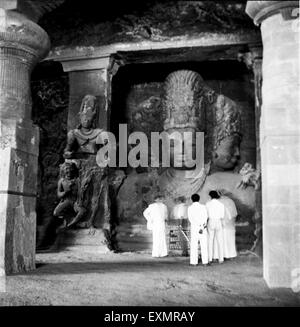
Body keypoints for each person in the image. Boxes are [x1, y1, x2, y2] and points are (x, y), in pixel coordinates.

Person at [53, 161, 86, 232]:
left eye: (70, 169)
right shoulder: (62, 181)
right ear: (63, 170)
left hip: (75, 202)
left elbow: (80, 193)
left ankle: (71, 224)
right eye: (66, 169)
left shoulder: (77, 181)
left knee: (82, 211)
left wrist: (79, 201)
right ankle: (68, 219)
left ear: (73, 170)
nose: (69, 171)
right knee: (56, 213)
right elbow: (59, 194)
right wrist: (65, 192)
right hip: (66, 201)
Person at [187, 194, 209, 266]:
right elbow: (206, 217)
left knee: (194, 245)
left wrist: (197, 225)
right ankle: (205, 262)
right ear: (199, 199)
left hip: (194, 228)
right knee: (204, 245)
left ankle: (193, 262)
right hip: (203, 227)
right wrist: (202, 226)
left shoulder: (190, 208)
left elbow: (191, 219)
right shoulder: (203, 207)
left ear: (192, 199)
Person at [206, 190, 225, 264]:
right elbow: (222, 216)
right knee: (220, 240)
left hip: (211, 221)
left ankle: (210, 258)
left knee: (210, 240)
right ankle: (221, 259)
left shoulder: (208, 204)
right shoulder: (221, 204)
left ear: (210, 196)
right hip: (218, 221)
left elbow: (206, 215)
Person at [218, 191, 238, 259]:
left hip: (221, 224)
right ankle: (231, 255)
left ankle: (223, 255)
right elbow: (235, 214)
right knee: (230, 241)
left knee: (222, 241)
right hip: (230, 225)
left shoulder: (219, 201)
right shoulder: (231, 201)